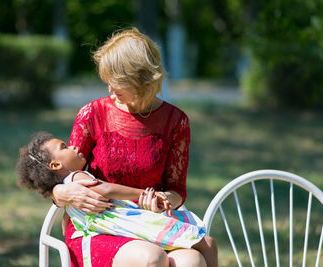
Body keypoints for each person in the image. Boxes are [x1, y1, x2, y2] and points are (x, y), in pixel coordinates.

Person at [51, 28, 217, 267]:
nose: (109, 89)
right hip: (100, 226)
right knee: (151, 258)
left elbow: (176, 190)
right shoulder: (93, 114)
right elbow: (61, 170)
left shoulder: (175, 121)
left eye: (116, 82)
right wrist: (59, 193)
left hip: (150, 222)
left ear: (141, 80)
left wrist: (160, 200)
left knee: (191, 262)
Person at [16, 132, 216, 267]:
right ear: (56, 165)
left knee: (194, 257)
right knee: (203, 243)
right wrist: (143, 195)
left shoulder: (74, 177)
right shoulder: (77, 177)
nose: (74, 146)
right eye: (65, 146)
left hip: (118, 226)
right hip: (114, 230)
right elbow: (106, 189)